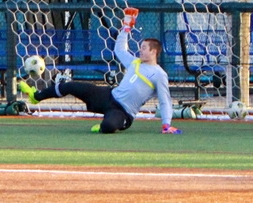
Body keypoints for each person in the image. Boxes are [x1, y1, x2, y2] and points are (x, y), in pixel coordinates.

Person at [17, 11, 181, 135]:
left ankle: (103, 125)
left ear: (153, 52)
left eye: (144, 48)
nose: (140, 49)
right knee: (70, 86)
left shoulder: (159, 74)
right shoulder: (134, 62)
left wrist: (166, 124)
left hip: (123, 112)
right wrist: (126, 28)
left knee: (109, 127)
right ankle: (36, 96)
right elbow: (119, 49)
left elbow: (165, 100)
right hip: (108, 96)